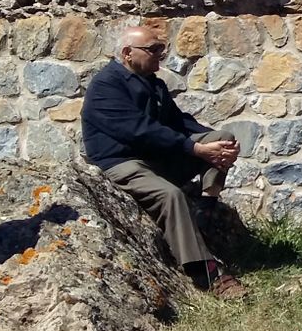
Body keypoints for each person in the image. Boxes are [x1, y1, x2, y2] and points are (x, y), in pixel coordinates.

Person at [80, 25, 245, 298]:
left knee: (222, 137)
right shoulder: (105, 86)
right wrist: (194, 149)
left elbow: (178, 122)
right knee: (170, 195)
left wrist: (214, 146)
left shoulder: (153, 84)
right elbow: (138, 129)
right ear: (127, 53)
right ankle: (207, 273)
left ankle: (204, 211)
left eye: (162, 49)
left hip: (157, 157)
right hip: (122, 162)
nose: (161, 55)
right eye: (153, 49)